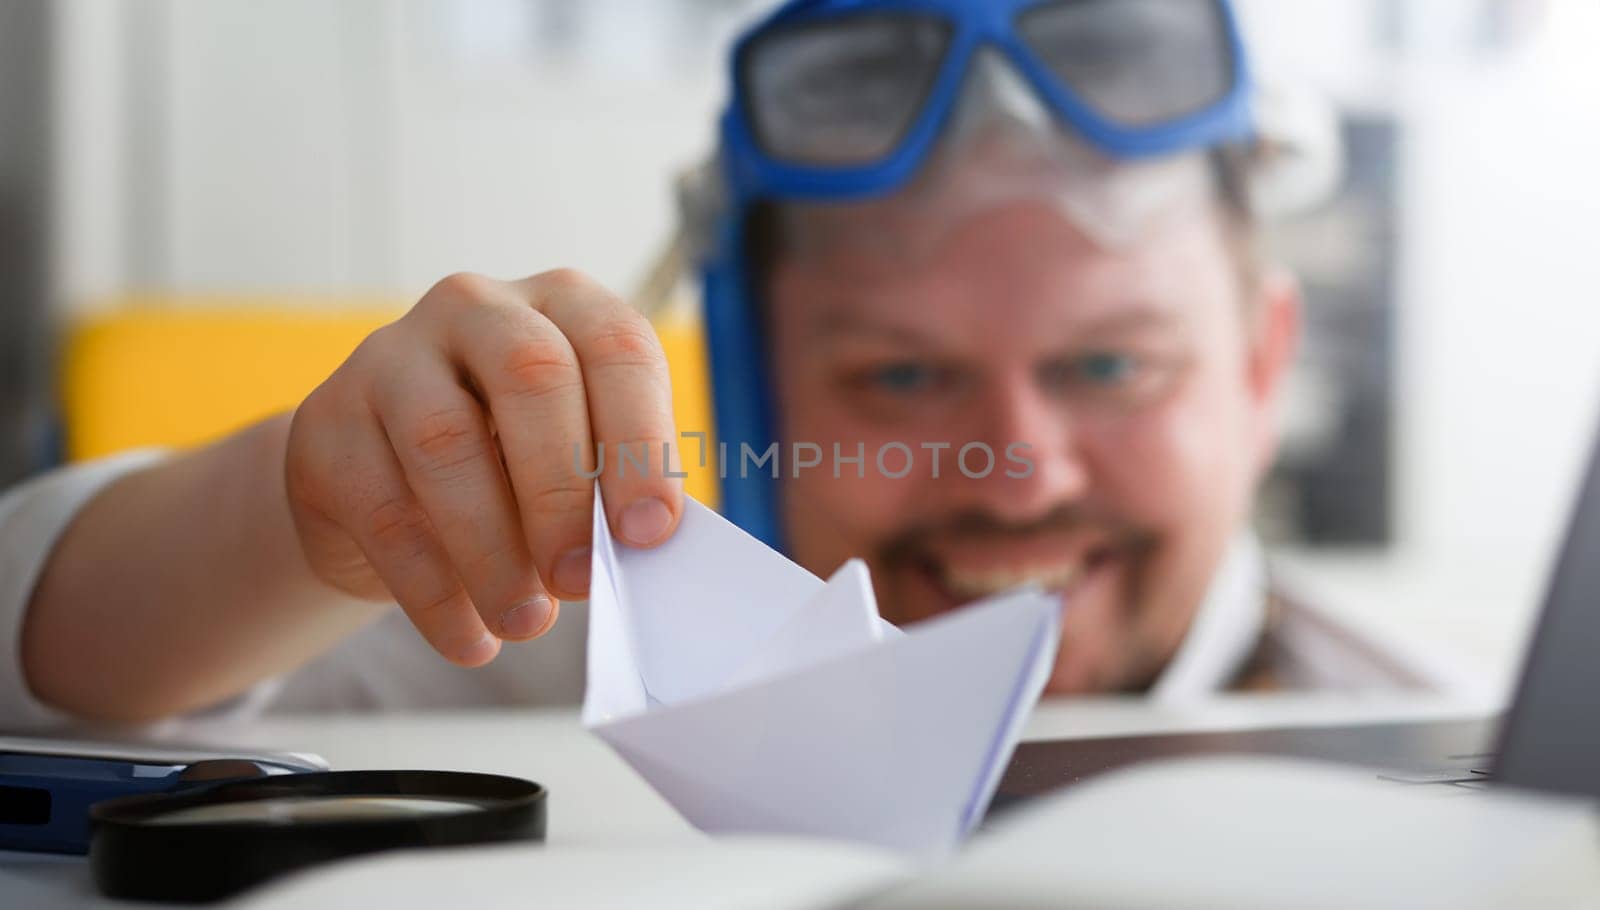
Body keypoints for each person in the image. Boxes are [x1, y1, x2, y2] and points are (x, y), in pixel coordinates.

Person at [0, 0, 1444, 729]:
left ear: (1262, 372)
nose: (1014, 469)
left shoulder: (1422, 748)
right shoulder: (557, 647)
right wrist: (305, 525)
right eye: (898, 378)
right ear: (746, 382)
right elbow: (41, 665)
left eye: (1114, 368)